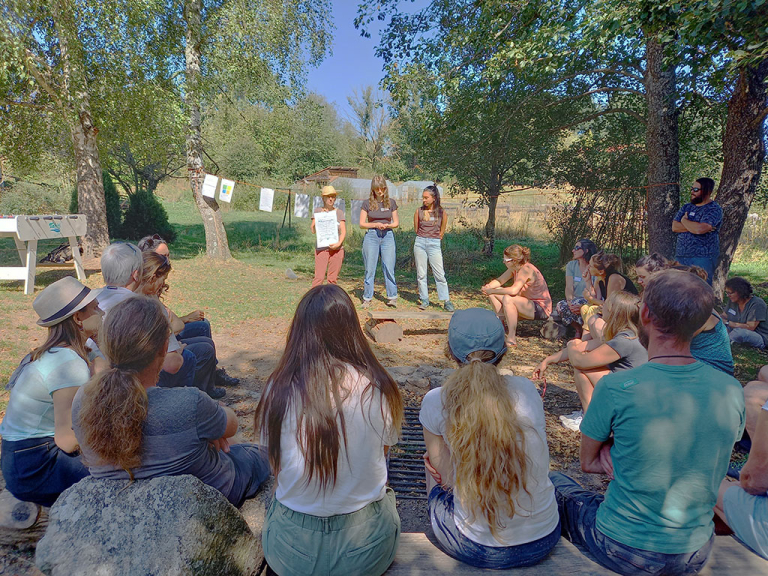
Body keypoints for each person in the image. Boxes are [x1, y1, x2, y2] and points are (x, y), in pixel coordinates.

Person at [550, 270, 745, 576]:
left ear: (644, 314)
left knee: (557, 484)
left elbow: (587, 463)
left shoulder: (616, 387)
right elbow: (705, 449)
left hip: (622, 546)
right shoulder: (731, 389)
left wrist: (611, 447)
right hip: (694, 551)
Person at [255, 285, 403, 576]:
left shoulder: (277, 388)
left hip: (291, 551)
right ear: (351, 329)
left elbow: (275, 464)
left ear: (299, 331)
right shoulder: (376, 387)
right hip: (365, 548)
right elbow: (382, 454)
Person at [72, 296, 269, 508]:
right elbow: (231, 426)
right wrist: (211, 418)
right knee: (260, 454)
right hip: (208, 497)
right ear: (164, 347)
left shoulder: (83, 398)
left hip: (122, 504)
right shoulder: (190, 403)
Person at [420, 308, 560, 569]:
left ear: (450, 352)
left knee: (432, 471)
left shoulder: (435, 401)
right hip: (543, 538)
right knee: (559, 481)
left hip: (476, 546)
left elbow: (448, 479)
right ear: (503, 351)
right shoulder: (527, 389)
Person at [0, 277, 102, 506]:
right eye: (95, 308)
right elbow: (67, 441)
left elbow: (105, 369)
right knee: (114, 474)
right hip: (35, 466)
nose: (102, 312)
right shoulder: (69, 365)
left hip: (19, 457)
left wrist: (98, 338)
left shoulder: (59, 353)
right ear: (78, 318)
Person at [533, 291, 647, 431]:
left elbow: (579, 361)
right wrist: (548, 360)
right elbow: (582, 347)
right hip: (627, 387)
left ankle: (591, 420)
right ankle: (595, 416)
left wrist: (572, 344)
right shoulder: (624, 334)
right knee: (583, 358)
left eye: (606, 303)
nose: (602, 305)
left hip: (630, 394)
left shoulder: (623, 341)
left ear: (614, 312)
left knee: (582, 369)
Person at [138, 237, 237, 387]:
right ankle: (200, 392)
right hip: (160, 351)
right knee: (200, 349)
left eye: (168, 255)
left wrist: (182, 319)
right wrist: (177, 342)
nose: (167, 261)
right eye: (162, 257)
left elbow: (172, 321)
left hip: (167, 337)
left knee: (202, 325)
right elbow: (171, 325)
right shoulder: (144, 295)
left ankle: (212, 373)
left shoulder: (151, 289)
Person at [482, 244, 552, 347]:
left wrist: (491, 290)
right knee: (494, 294)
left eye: (505, 260)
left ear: (514, 261)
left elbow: (514, 290)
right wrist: (488, 287)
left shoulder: (526, 269)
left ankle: (511, 337)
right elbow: (500, 280)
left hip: (540, 308)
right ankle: (500, 328)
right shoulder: (515, 268)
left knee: (508, 299)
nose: (503, 262)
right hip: (526, 303)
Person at [672, 177, 722, 285]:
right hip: (681, 255)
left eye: (696, 190)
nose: (692, 192)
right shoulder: (687, 207)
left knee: (699, 288)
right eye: (692, 189)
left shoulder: (713, 209)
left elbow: (699, 230)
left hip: (703, 257)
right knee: (678, 288)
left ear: (707, 191)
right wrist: (694, 227)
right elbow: (675, 227)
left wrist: (684, 220)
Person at [413, 185, 454, 311]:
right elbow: (416, 228)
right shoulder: (418, 211)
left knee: (440, 273)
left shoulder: (442, 213)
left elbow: (442, 231)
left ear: (434, 198)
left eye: (426, 198)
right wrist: (423, 238)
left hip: (434, 244)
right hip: (420, 242)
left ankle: (446, 300)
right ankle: (424, 299)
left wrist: (435, 238)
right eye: (423, 198)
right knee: (421, 273)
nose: (424, 200)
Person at [360, 175, 399, 309]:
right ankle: (367, 298)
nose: (380, 191)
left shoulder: (391, 203)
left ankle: (392, 297)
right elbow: (362, 224)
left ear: (385, 188)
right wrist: (376, 224)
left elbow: (396, 223)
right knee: (370, 268)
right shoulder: (367, 203)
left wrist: (386, 226)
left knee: (388, 266)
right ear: (373, 189)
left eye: (382, 188)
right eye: (377, 189)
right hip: (372, 236)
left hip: (387, 235)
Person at [581, 252, 637, 339]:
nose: (588, 267)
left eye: (591, 266)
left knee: (592, 310)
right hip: (611, 309)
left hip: (626, 312)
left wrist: (590, 298)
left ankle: (588, 340)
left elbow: (609, 304)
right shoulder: (600, 278)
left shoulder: (614, 278)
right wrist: (587, 281)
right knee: (585, 308)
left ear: (601, 271)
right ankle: (590, 340)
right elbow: (596, 298)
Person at [553, 239, 599, 336]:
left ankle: (585, 330)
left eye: (577, 248)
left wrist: (582, 305)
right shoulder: (571, 265)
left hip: (591, 299)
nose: (573, 250)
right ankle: (578, 329)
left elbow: (595, 292)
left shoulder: (595, 267)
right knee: (561, 305)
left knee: (583, 306)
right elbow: (569, 287)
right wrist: (570, 302)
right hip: (575, 300)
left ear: (586, 251)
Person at [311, 185, 346, 288]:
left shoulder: (339, 213)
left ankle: (330, 300)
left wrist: (338, 244)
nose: (331, 199)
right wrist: (319, 218)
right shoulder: (318, 211)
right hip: (322, 248)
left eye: (333, 196)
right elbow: (313, 230)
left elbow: (343, 231)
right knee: (319, 278)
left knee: (332, 280)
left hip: (337, 249)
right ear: (323, 198)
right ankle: (313, 301)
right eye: (328, 196)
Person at [724, 276, 768, 350]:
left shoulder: (757, 304)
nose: (728, 295)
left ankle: (723, 344)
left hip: (759, 336)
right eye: (727, 293)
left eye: (730, 293)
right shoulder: (732, 301)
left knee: (739, 333)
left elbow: (750, 327)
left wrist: (728, 323)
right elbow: (724, 316)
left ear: (740, 292)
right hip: (735, 329)